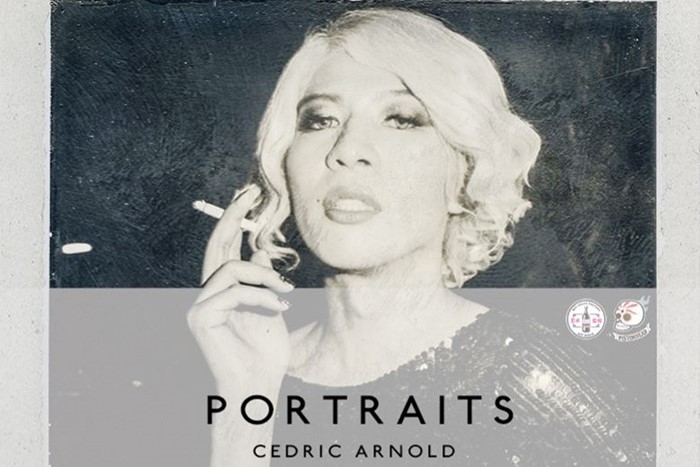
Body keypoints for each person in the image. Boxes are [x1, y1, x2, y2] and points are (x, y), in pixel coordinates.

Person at [188, 8, 653, 466]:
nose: (347, 150)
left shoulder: (534, 378)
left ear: (465, 173)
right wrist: (244, 406)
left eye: (400, 118)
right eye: (320, 119)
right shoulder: (233, 373)